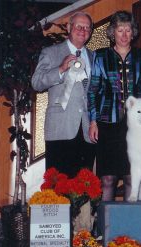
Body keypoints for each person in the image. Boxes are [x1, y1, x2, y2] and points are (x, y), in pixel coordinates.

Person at [88, 11, 141, 202]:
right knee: (108, 179)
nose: (124, 35)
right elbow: (93, 90)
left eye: (128, 30)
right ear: (113, 33)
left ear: (133, 32)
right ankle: (106, 227)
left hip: (137, 126)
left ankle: (128, 228)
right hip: (107, 124)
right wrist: (93, 121)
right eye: (120, 30)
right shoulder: (100, 57)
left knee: (131, 177)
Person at [32, 11, 95, 178]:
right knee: (59, 187)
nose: (83, 31)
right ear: (69, 27)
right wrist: (60, 69)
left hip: (87, 129)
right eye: (79, 26)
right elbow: (36, 83)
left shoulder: (94, 56)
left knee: (85, 188)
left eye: (87, 28)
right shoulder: (51, 52)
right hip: (60, 127)